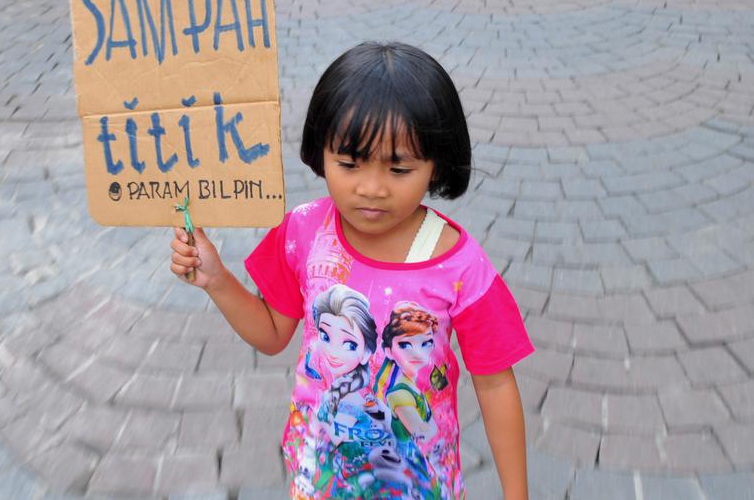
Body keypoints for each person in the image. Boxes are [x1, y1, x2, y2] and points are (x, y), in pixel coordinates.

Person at [169, 42, 534, 499]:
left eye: (399, 168)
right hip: (321, 474)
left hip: (418, 483)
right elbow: (271, 333)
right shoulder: (302, 231)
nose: (372, 188)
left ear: (436, 164)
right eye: (349, 163)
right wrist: (216, 280)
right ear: (320, 151)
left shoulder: (461, 266)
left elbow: (496, 383)